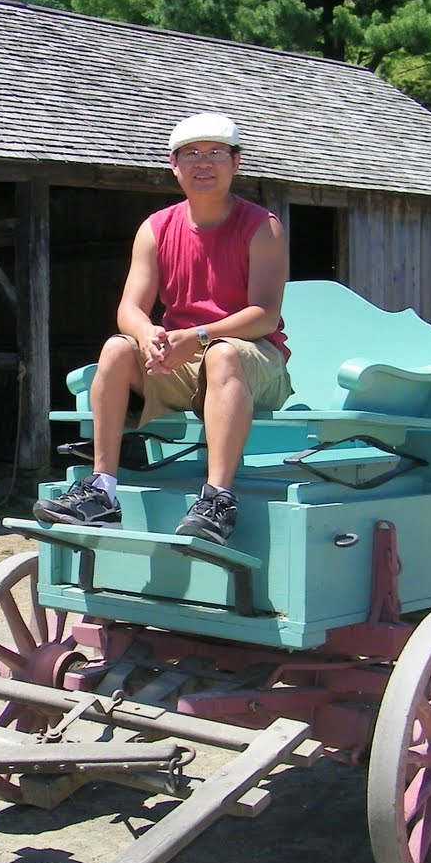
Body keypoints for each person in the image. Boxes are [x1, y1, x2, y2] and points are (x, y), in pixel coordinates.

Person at [33, 112, 291, 546]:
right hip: (181, 359)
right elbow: (130, 308)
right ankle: (101, 491)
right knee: (116, 349)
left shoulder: (262, 226)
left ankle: (217, 500)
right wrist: (149, 333)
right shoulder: (155, 228)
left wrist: (199, 335)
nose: (202, 163)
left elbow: (264, 315)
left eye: (214, 153)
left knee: (223, 353)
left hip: (251, 360)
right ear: (174, 165)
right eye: (191, 154)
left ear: (236, 162)